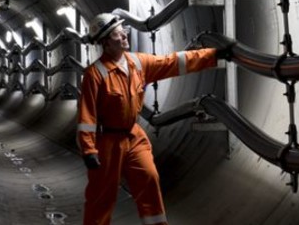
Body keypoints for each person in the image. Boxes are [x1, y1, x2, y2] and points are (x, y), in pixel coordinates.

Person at [77, 12, 228, 225]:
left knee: (149, 179)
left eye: (123, 31)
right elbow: (87, 116)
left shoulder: (138, 63)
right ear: (105, 42)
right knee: (102, 196)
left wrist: (213, 55)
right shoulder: (95, 75)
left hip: (134, 136)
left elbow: (173, 62)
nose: (124, 35)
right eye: (118, 34)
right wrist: (89, 150)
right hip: (108, 142)